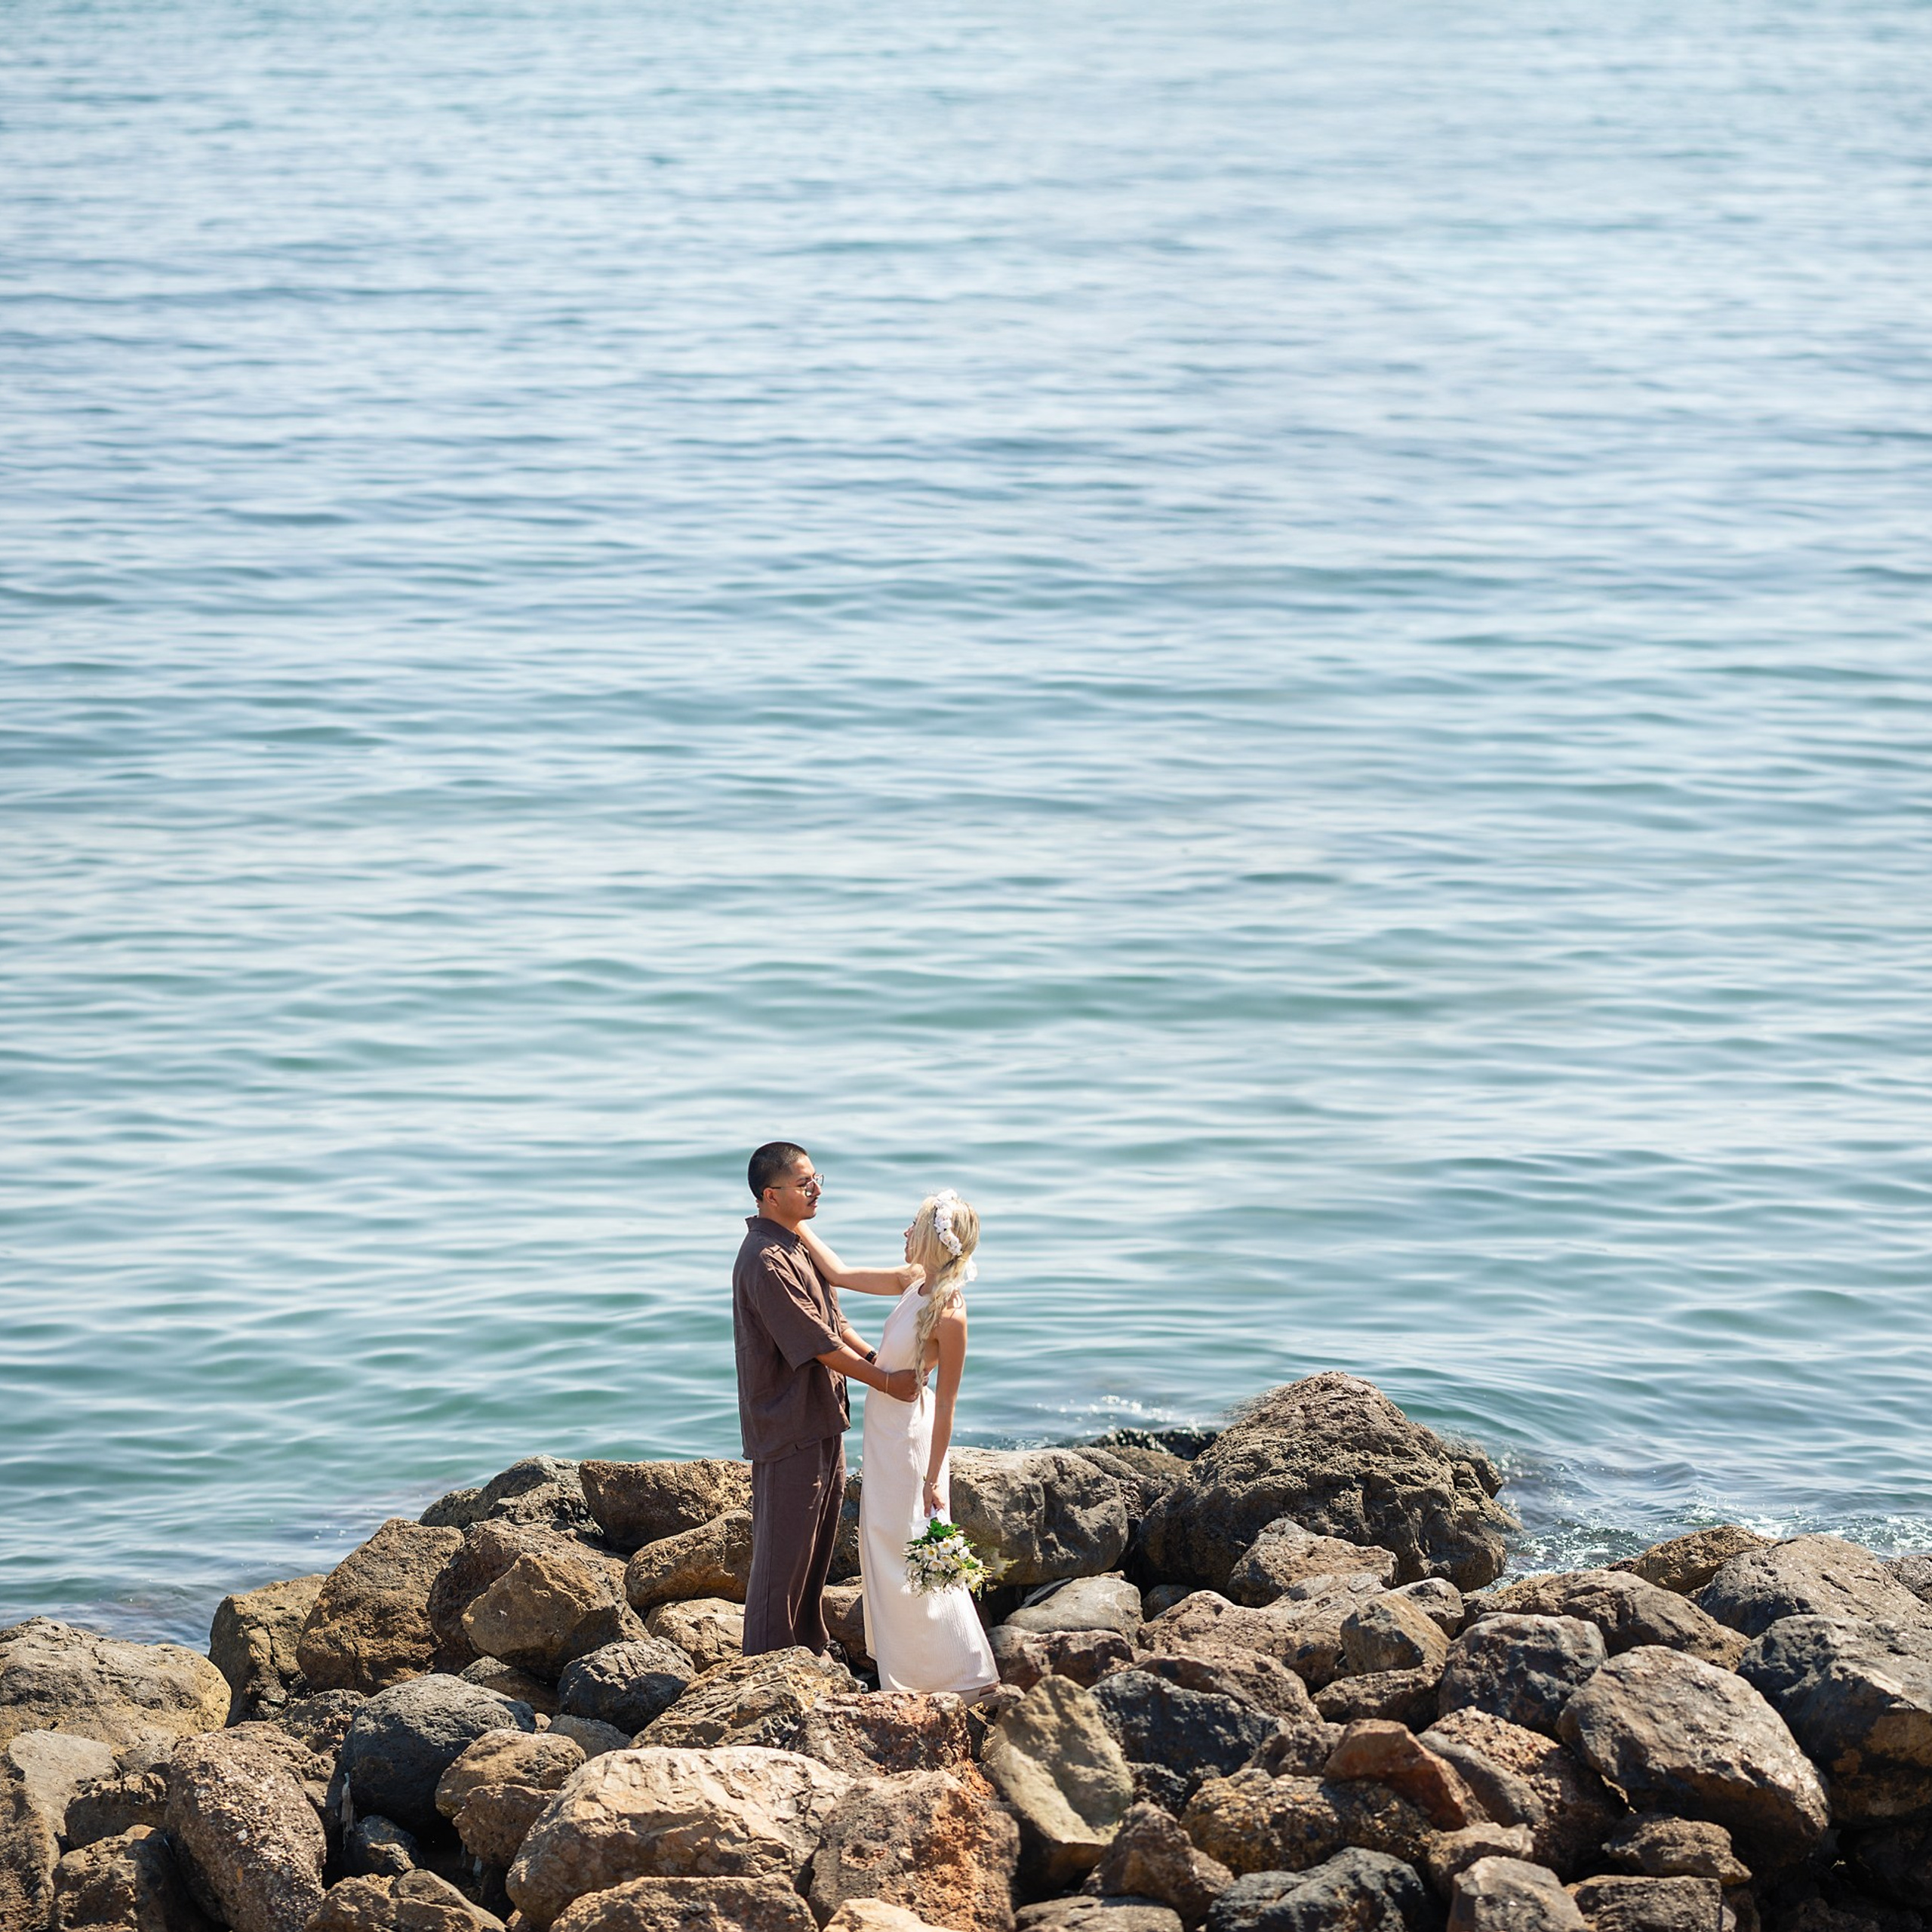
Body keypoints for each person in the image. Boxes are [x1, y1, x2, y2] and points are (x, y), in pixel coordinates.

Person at [801, 1189, 997, 1697]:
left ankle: (960, 1674)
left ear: (933, 1243)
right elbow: (839, 1273)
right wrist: (788, 1222)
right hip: (885, 1432)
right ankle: (904, 1674)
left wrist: (934, 1480)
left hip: (912, 1443)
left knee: (912, 1552)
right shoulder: (913, 1281)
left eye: (913, 1227)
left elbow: (949, 1404)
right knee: (882, 1547)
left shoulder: (950, 1313)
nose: (905, 1233)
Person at [733, 1142, 920, 1657]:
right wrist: (883, 1382)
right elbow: (817, 1344)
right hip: (787, 1424)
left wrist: (877, 1359)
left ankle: (808, 1651)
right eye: (803, 1183)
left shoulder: (795, 1242)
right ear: (770, 1196)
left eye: (817, 1179)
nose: (816, 1190)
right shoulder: (767, 1261)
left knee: (813, 1551)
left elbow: (835, 1322)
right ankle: (768, 1665)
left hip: (821, 1418)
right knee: (782, 1558)